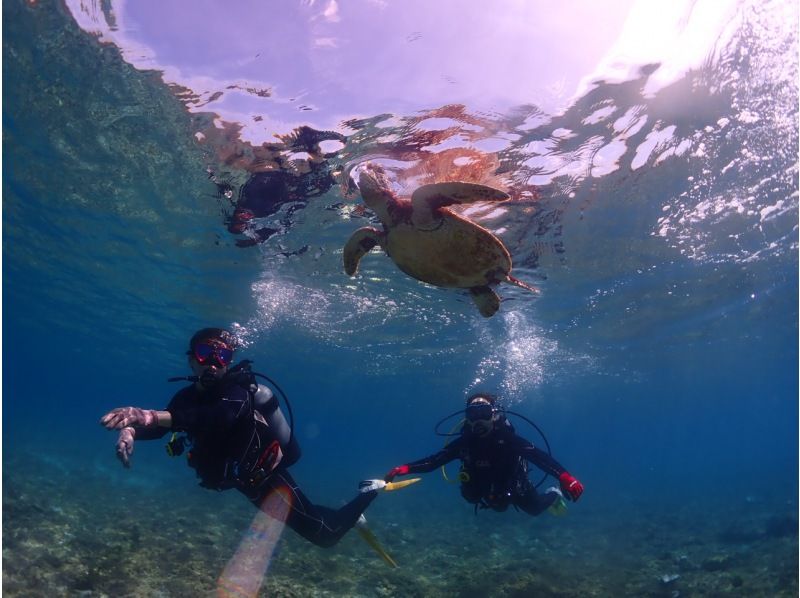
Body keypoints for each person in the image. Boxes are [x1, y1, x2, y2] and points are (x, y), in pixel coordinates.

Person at [100, 327, 379, 548]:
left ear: (229, 362)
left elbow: (215, 418)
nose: (212, 362)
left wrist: (145, 415)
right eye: (205, 352)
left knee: (325, 536)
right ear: (190, 359)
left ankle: (370, 492)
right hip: (246, 484)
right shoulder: (184, 397)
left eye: (222, 356)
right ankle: (345, 514)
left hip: (269, 479)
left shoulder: (237, 393)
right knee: (307, 520)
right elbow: (166, 426)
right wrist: (132, 430)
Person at [384, 393, 584, 516]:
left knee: (535, 509)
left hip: (512, 486)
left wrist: (565, 477)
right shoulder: (465, 442)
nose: (478, 419)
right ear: (467, 418)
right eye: (473, 414)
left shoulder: (508, 439)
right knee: (481, 499)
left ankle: (554, 494)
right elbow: (434, 461)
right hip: (483, 490)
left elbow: (539, 457)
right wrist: (404, 469)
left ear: (494, 414)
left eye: (484, 413)